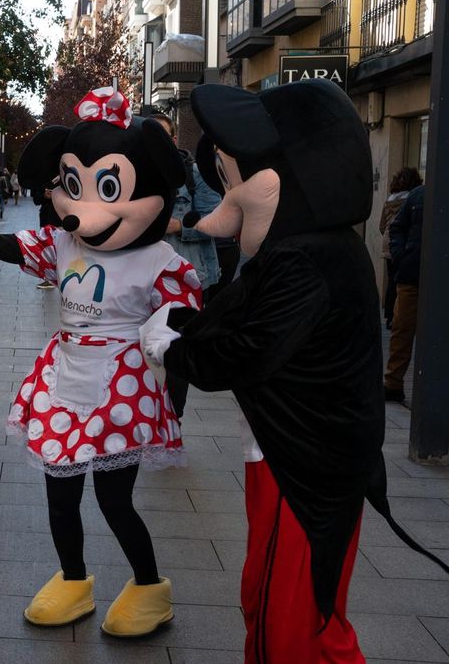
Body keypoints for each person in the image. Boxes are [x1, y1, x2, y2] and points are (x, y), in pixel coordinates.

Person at [144, 80, 447, 664]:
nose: (225, 199)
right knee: (295, 610)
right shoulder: (298, 251)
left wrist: (171, 350)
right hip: (291, 458)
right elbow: (233, 314)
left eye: (232, 182)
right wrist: (185, 319)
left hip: (304, 469)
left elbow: (246, 352)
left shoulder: (307, 261)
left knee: (287, 619)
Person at [0, 88, 197, 638]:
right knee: (60, 498)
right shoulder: (61, 246)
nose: (83, 209)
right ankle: (73, 580)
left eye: (106, 188)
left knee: (115, 502)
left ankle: (149, 587)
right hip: (65, 379)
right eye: (75, 187)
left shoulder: (160, 259)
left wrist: (170, 331)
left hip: (121, 388)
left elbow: (187, 313)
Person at [147, 114, 221, 419]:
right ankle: (148, 413)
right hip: (144, 279)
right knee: (145, 349)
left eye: (163, 136)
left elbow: (217, 220)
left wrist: (178, 225)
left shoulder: (195, 174)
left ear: (174, 139)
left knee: (175, 351)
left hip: (186, 279)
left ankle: (172, 418)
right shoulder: (135, 174)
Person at [384, 183, 424, 403]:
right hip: (412, 274)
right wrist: (401, 256)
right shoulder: (418, 195)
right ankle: (393, 383)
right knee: (402, 329)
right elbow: (397, 227)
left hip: (417, 272)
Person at [378, 168, 421, 330]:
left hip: (388, 242)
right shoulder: (412, 199)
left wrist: (387, 237)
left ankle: (389, 316)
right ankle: (398, 316)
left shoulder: (389, 200)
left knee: (391, 281)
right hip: (403, 244)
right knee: (401, 282)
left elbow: (382, 225)